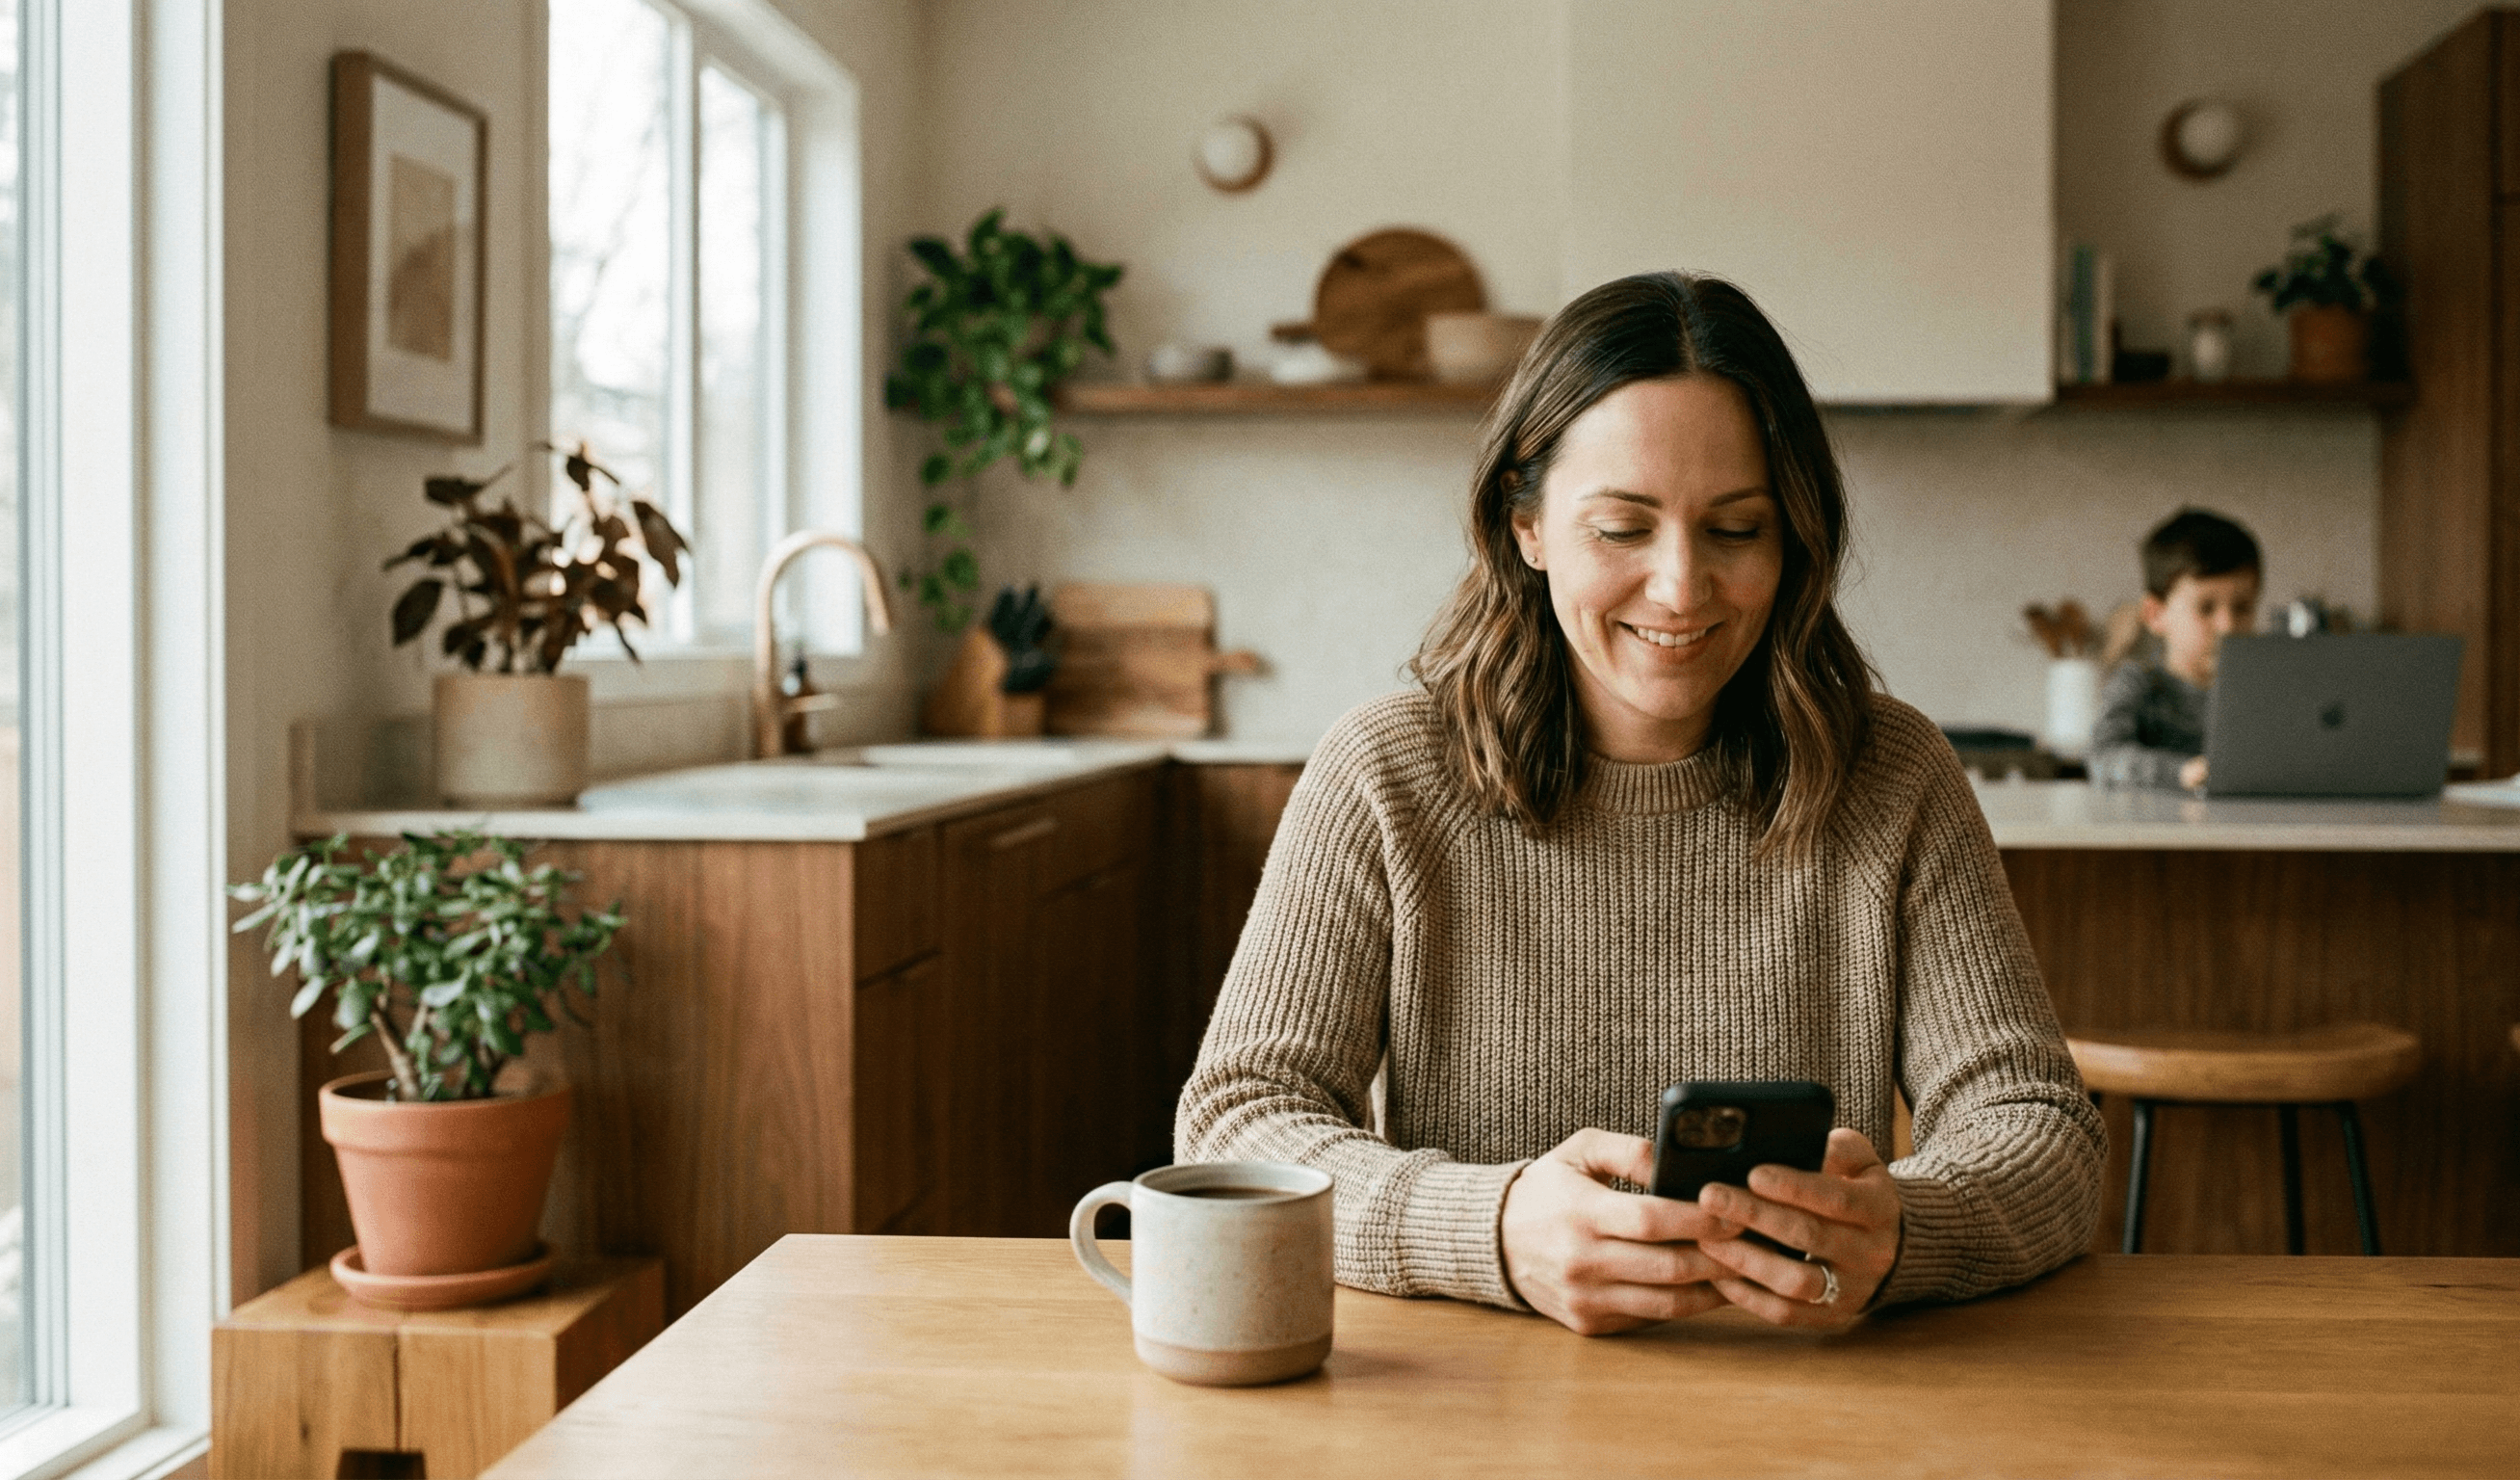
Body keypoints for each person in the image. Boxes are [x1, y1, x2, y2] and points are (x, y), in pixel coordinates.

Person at [1174, 272, 2103, 1336]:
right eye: (1622, 528)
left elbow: (2041, 1130)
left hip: (1806, 1415)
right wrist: (1491, 1226)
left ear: (1794, 537)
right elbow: (1237, 1124)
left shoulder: (1894, 776)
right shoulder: (1382, 773)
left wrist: (1908, 1231)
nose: (1679, 587)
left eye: (1737, 530)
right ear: (1525, 523)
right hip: (1472, 1409)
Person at [2089, 510, 2263, 792]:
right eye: (2206, 608)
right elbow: (2102, 758)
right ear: (2156, 614)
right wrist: (2181, 773)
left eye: (2242, 608)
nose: (2227, 626)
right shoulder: (2138, 683)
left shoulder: (2264, 690)